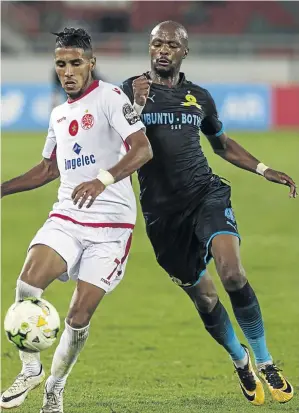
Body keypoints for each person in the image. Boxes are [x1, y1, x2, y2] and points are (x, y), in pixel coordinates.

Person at [121, 20, 297, 406]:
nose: (162, 50)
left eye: (171, 44)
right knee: (204, 299)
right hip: (162, 216)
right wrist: (133, 106)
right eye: (156, 43)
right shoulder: (127, 91)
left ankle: (266, 361)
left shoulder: (198, 97)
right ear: (149, 49)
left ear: (185, 52)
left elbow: (222, 145)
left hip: (206, 195)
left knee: (232, 273)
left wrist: (265, 170)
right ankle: (241, 362)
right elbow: (119, 149)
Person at [1, 27, 152, 413]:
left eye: (75, 63)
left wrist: (102, 180)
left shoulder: (110, 97)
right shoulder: (58, 113)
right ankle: (31, 368)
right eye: (61, 64)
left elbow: (142, 149)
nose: (67, 71)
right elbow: (47, 170)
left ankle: (55, 386)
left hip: (111, 227)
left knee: (77, 314)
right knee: (27, 283)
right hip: (68, 215)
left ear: (91, 63)